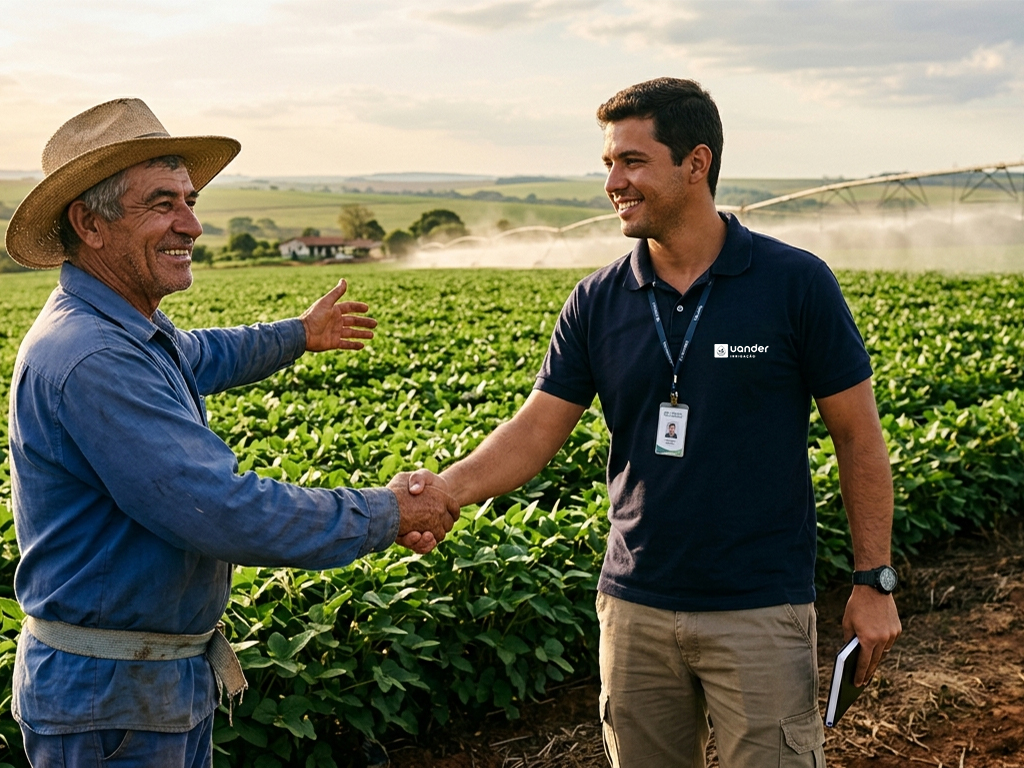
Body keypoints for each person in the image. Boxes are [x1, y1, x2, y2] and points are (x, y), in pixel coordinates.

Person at [408, 78, 901, 767]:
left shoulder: (794, 284)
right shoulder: (598, 300)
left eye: (632, 161)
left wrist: (873, 580)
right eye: (609, 164)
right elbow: (536, 428)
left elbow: (858, 436)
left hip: (758, 606)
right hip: (634, 605)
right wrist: (447, 490)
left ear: (695, 164)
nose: (614, 181)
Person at [4, 98, 458, 768]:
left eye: (189, 200)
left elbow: (206, 354)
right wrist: (386, 512)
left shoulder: (127, 333)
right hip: (110, 705)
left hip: (145, 688)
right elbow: (221, 509)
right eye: (163, 203)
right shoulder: (94, 357)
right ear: (90, 224)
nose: (192, 224)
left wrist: (299, 335)